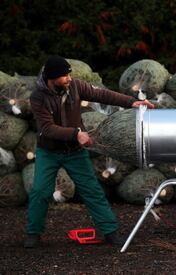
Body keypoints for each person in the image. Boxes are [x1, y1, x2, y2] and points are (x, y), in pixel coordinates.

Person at [24, 55, 155, 248]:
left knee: (92, 190)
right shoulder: (38, 97)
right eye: (64, 76)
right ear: (52, 78)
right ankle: (33, 233)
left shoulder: (76, 86)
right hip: (48, 152)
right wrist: (76, 133)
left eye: (69, 74)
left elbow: (103, 95)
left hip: (74, 152)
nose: (69, 78)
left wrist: (131, 102)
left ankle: (110, 232)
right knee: (40, 192)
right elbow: (47, 128)